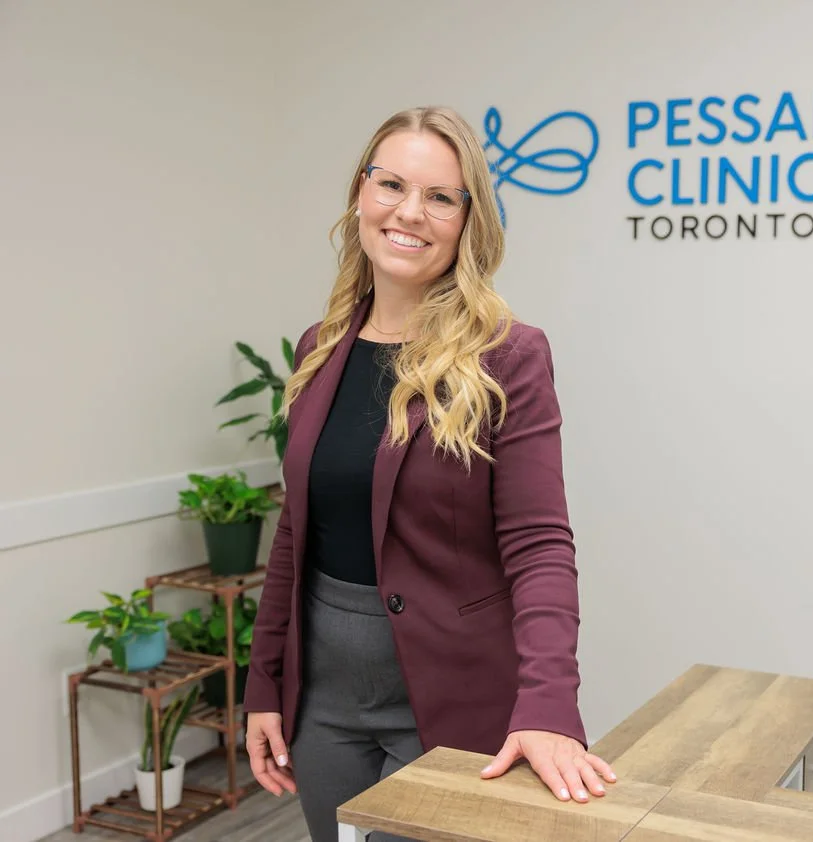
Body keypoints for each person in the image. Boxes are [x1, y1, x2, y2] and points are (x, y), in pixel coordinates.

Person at [242, 105, 615, 842]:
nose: (410, 212)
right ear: (360, 195)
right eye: (392, 185)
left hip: (450, 702)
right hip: (323, 707)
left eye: (441, 197)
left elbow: (540, 544)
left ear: (468, 219)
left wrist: (547, 706)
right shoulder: (320, 348)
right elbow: (296, 528)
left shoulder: (508, 356)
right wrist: (264, 683)